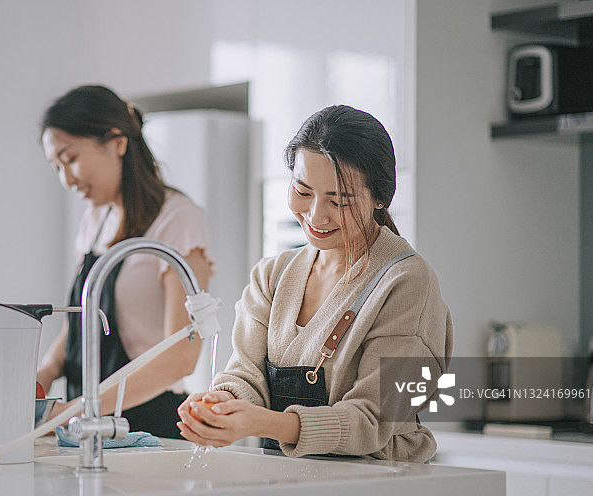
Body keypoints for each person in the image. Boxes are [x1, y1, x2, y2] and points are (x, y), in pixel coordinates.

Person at [177, 105, 452, 462]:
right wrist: (222, 403)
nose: (316, 215)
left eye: (340, 201)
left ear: (380, 199)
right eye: (303, 192)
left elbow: (373, 420)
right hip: (287, 483)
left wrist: (265, 423)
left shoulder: (408, 282)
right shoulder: (272, 276)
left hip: (378, 488)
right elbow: (246, 374)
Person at [37, 85, 214, 438]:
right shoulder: (95, 219)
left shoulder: (177, 220)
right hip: (86, 423)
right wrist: (42, 377)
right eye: (57, 166)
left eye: (70, 159)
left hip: (145, 424)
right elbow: (81, 323)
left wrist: (73, 411)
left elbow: (181, 356)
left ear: (117, 142)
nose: (66, 179)